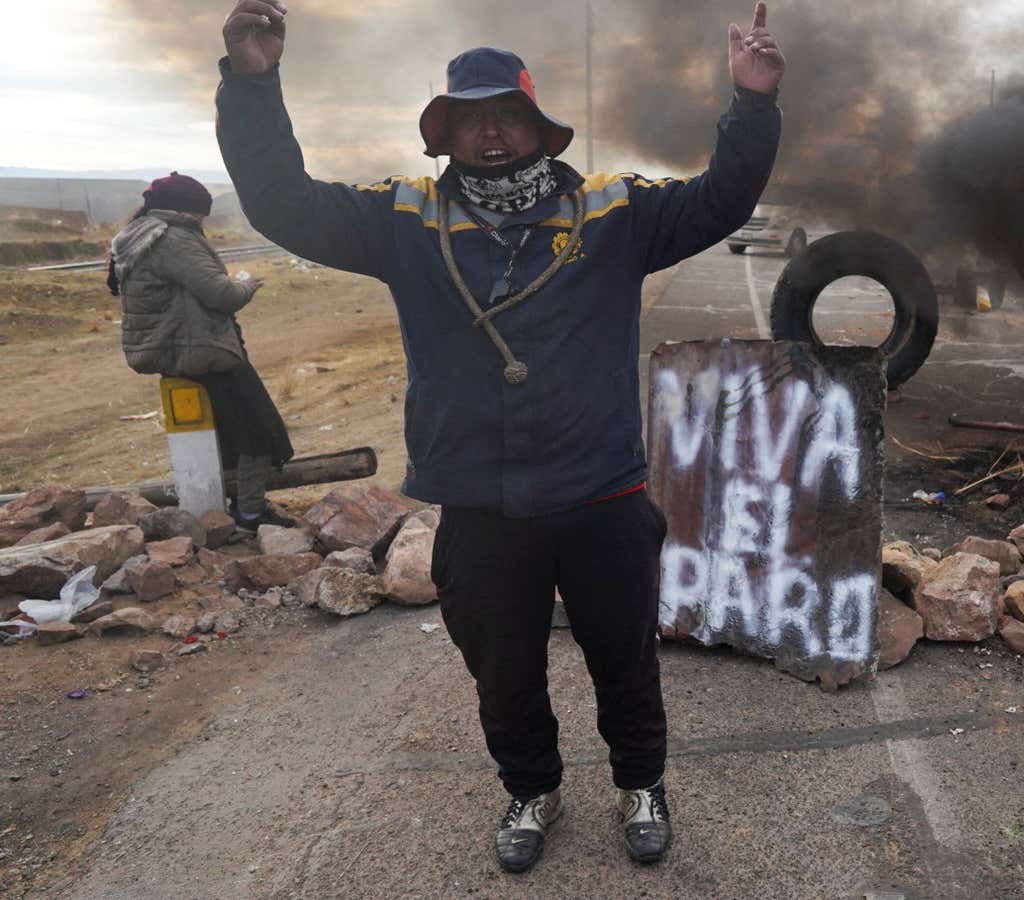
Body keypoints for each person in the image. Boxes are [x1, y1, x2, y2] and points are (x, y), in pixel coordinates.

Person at [215, 0, 784, 873]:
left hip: (603, 491)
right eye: (469, 121)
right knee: (503, 671)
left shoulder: (613, 211)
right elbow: (281, 201)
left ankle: (642, 783)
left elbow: (722, 198)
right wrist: (253, 83)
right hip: (480, 502)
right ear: (443, 137)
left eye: (506, 117)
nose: (490, 136)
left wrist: (750, 105)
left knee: (624, 659)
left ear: (539, 128)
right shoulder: (401, 219)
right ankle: (532, 787)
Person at [108, 172, 296, 531]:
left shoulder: (138, 235)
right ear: (186, 210)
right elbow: (221, 296)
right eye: (200, 215)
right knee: (261, 433)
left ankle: (225, 510)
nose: (201, 222)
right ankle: (251, 514)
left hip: (174, 352)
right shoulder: (173, 239)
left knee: (226, 435)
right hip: (203, 353)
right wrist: (246, 285)